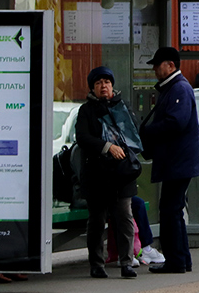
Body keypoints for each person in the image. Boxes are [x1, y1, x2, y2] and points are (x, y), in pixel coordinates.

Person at [76, 65, 141, 279]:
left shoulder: (123, 107)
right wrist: (107, 146)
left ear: (112, 85)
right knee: (96, 221)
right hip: (96, 175)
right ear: (92, 88)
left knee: (124, 217)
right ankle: (96, 263)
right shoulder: (86, 111)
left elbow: (134, 134)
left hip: (122, 175)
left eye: (106, 82)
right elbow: (83, 138)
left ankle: (126, 262)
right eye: (98, 83)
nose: (103, 86)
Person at [139, 47, 199, 274]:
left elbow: (176, 122)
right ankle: (182, 260)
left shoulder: (179, 89)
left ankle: (176, 261)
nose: (155, 69)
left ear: (171, 66)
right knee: (173, 211)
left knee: (169, 211)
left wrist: (148, 132)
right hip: (178, 161)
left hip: (178, 161)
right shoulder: (175, 88)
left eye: (158, 64)